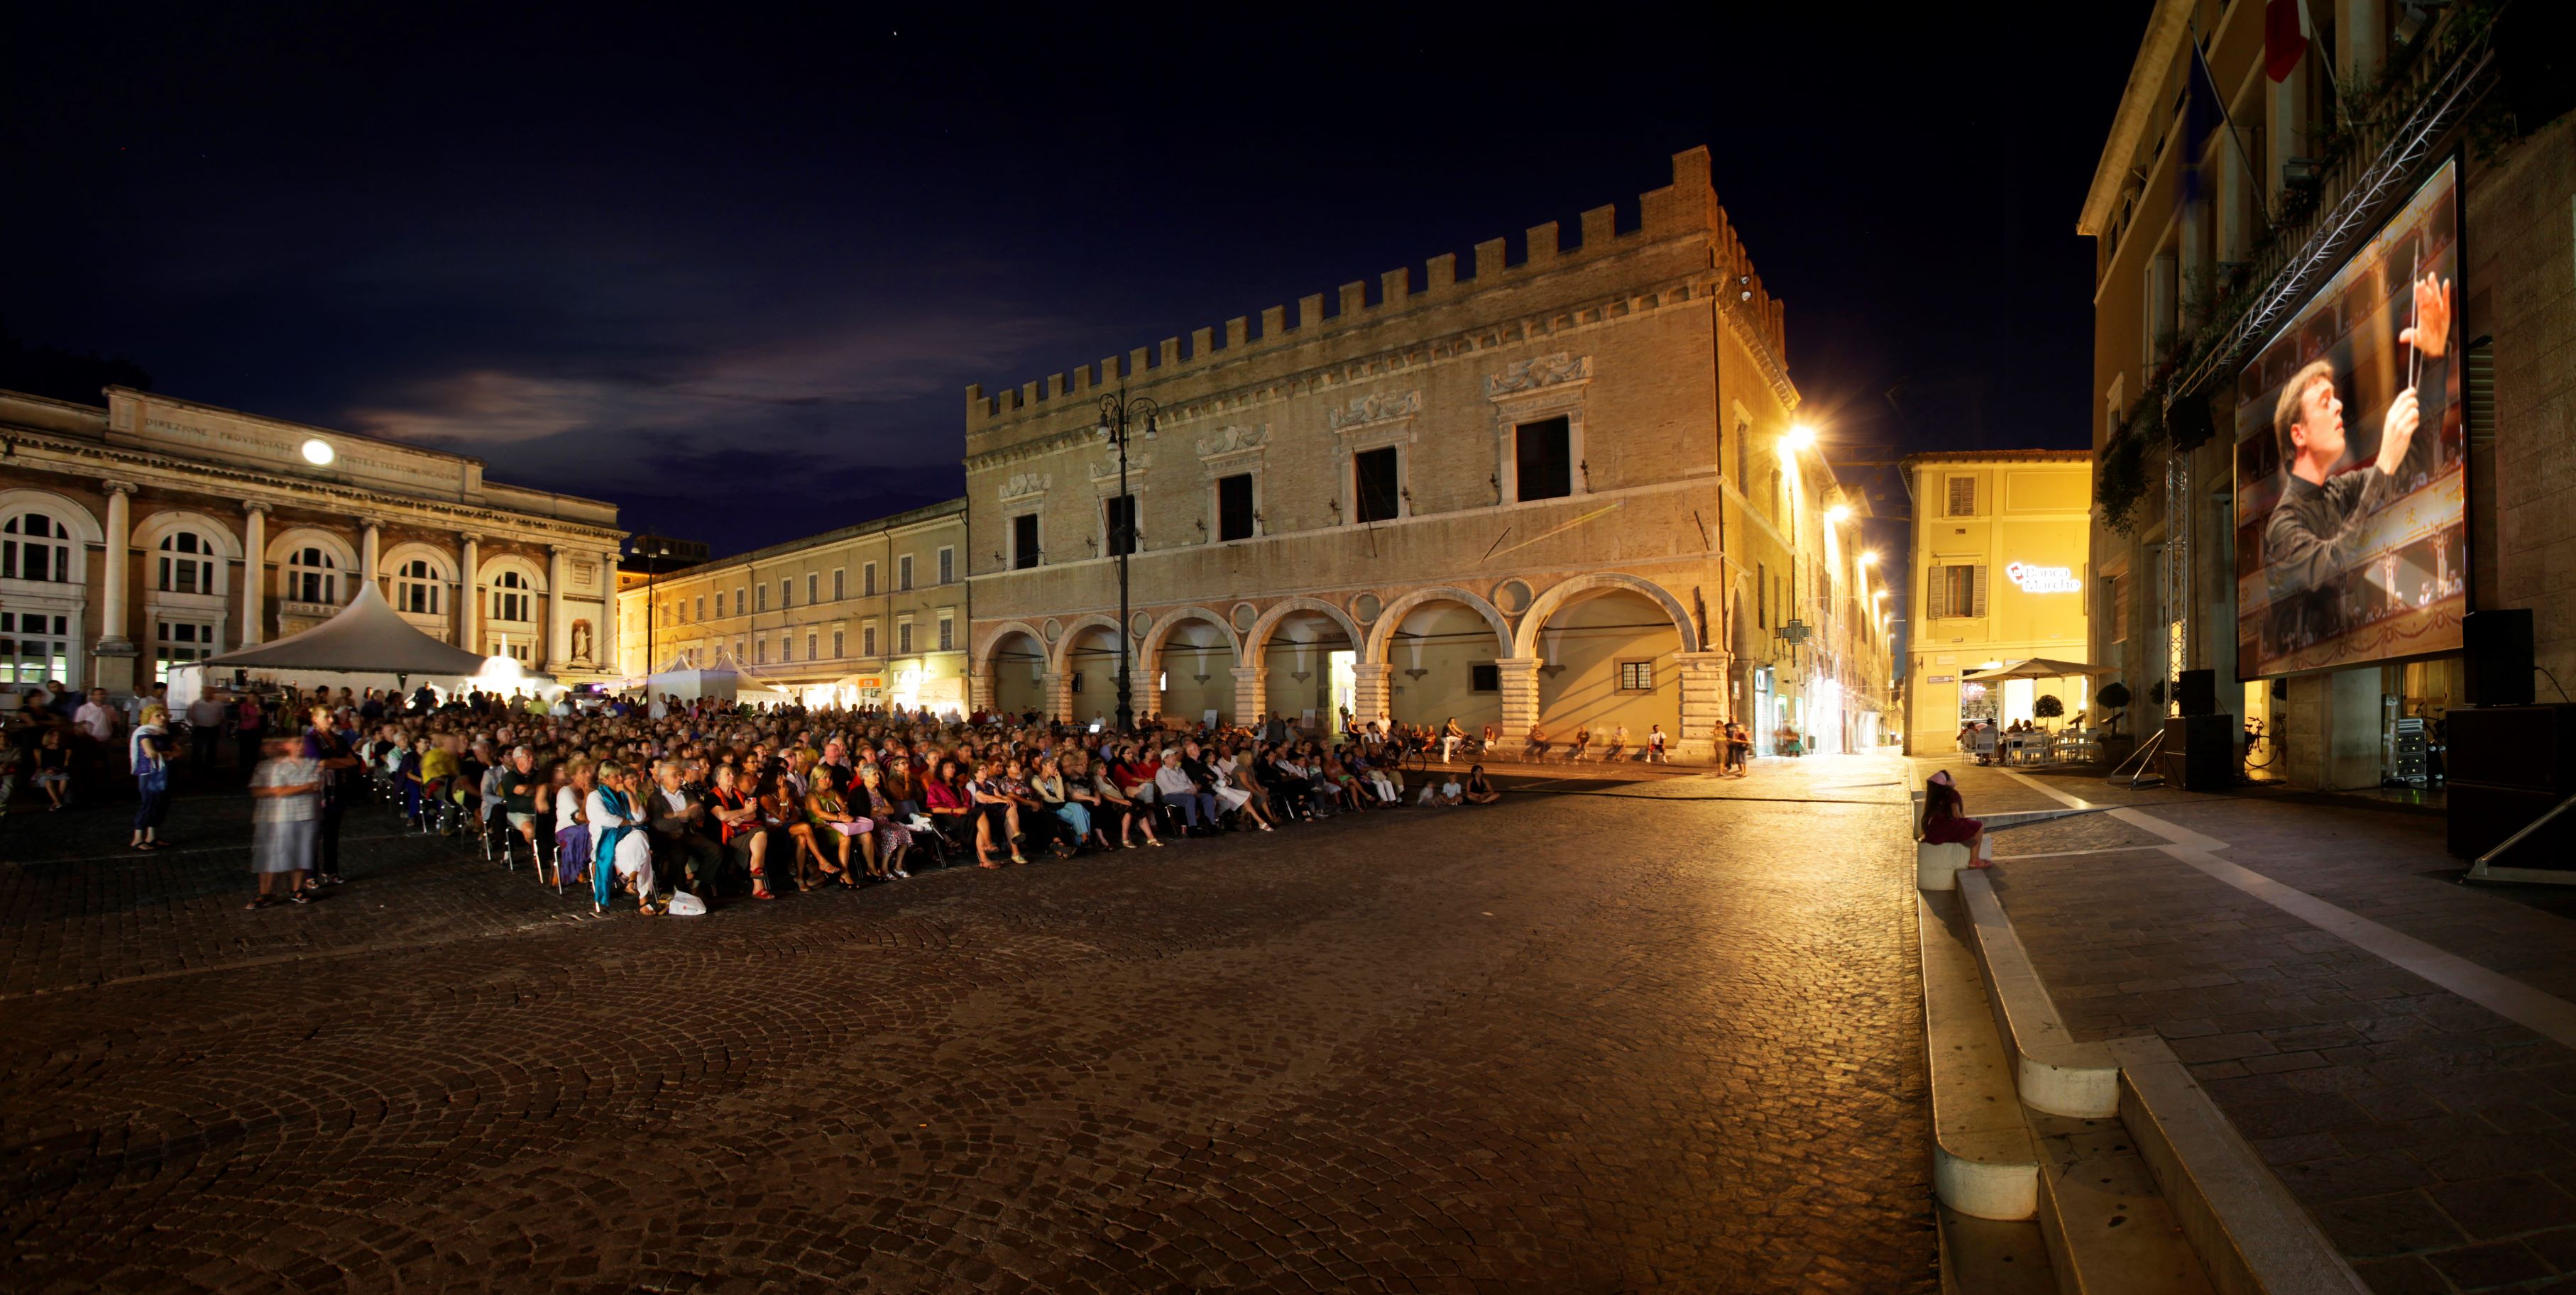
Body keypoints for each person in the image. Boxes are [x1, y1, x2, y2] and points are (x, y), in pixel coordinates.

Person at [2264, 273, 2452, 603]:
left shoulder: (2339, 490)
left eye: (2335, 398)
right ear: (2299, 434)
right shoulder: (2282, 526)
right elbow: (2336, 570)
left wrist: (2434, 357)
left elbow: (2414, 463)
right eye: (2325, 401)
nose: (2339, 406)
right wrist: (2383, 464)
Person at [245, 737, 322, 908]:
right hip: (274, 815)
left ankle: (297, 889)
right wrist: (303, 787)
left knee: (302, 851)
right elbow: (273, 790)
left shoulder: (308, 764)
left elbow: (316, 784)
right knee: (271, 855)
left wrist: (290, 789)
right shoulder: (270, 766)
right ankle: (265, 892)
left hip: (302, 813)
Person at [587, 760, 655, 915]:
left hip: (629, 836)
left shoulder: (624, 795)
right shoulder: (595, 796)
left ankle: (632, 878)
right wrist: (630, 822)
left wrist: (629, 793)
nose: (620, 779)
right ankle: (643, 899)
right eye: (615, 776)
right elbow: (606, 820)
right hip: (607, 840)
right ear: (604, 779)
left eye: (621, 776)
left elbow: (641, 817)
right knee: (644, 851)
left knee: (640, 835)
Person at [647, 758, 723, 894]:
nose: (679, 777)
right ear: (663, 779)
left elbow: (699, 811)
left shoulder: (686, 793)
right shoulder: (656, 798)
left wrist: (675, 815)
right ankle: (681, 891)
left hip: (689, 832)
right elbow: (660, 823)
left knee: (715, 850)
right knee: (678, 855)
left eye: (679, 774)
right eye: (674, 775)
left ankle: (697, 883)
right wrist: (684, 815)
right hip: (669, 836)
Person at [708, 763, 777, 899]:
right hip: (726, 836)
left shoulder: (740, 794)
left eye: (733, 773)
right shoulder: (713, 796)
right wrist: (744, 812)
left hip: (744, 831)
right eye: (727, 774)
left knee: (761, 832)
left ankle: (757, 872)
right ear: (718, 779)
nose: (732, 776)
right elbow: (722, 816)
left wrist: (739, 817)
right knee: (761, 832)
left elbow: (753, 815)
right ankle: (757, 879)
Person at [128, 703, 176, 850]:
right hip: (150, 773)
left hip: (164, 772)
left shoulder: (163, 733)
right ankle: (137, 839)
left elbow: (179, 752)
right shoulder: (145, 733)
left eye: (164, 715)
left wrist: (164, 754)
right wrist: (168, 754)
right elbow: (151, 753)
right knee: (149, 803)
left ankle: (152, 836)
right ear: (149, 718)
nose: (163, 718)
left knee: (162, 804)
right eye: (158, 716)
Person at [1919, 770, 1990, 867]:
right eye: (1951, 777)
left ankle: (1966, 840)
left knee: (1964, 828)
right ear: (1947, 782)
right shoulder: (1952, 793)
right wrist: (1965, 824)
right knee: (1979, 826)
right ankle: (1974, 860)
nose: (1953, 778)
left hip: (1934, 832)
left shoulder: (1934, 796)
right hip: (1947, 829)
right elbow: (1956, 814)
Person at [32, 727, 72, 810]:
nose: (57, 737)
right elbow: (39, 766)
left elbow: (66, 765)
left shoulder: (66, 751)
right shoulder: (39, 751)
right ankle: (58, 803)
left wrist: (59, 771)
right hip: (45, 772)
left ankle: (56, 803)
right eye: (54, 735)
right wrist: (46, 771)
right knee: (48, 780)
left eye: (58, 735)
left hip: (60, 772)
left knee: (65, 778)